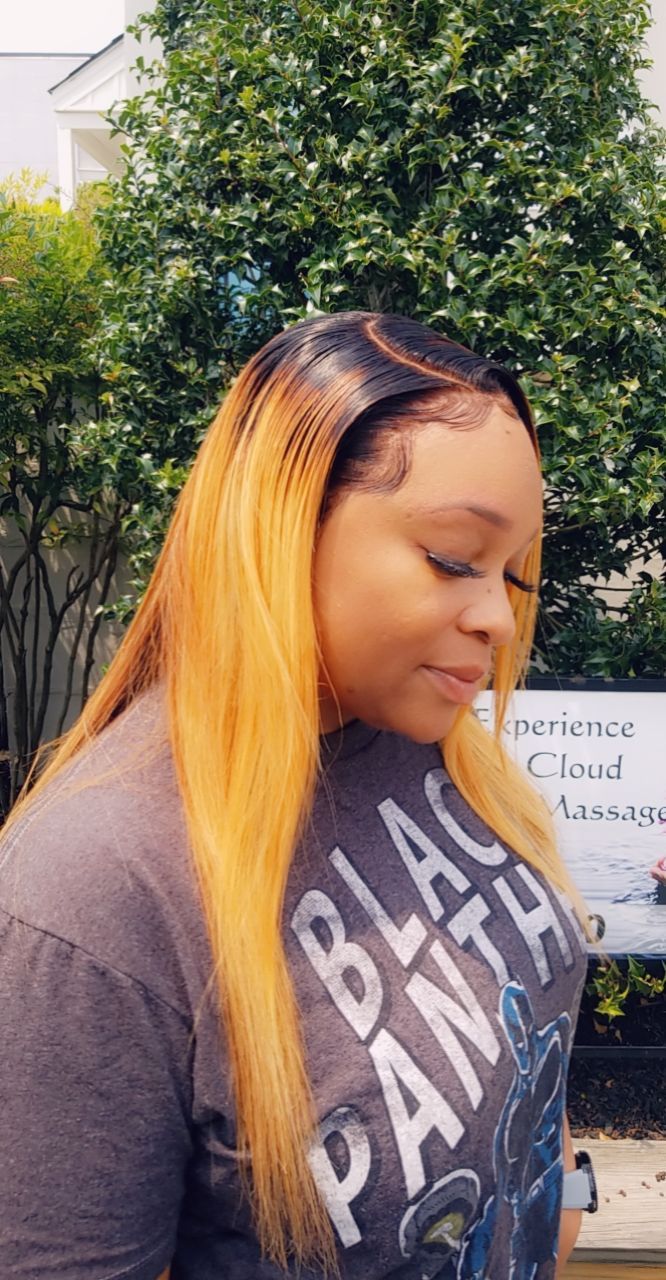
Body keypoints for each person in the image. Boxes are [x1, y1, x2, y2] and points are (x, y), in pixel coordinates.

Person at [0, 312, 590, 1279]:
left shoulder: (440, 748)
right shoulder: (94, 893)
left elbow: (531, 1016)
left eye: (512, 572)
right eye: (454, 557)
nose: (496, 615)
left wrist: (560, 1197)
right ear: (277, 529)